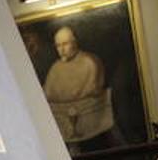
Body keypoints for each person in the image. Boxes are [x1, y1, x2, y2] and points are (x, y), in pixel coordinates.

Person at [43, 25, 119, 153]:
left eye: (65, 44)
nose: (62, 49)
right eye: (58, 45)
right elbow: (48, 94)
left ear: (74, 43)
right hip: (62, 122)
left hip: (92, 124)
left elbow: (93, 89)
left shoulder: (89, 62)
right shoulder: (55, 68)